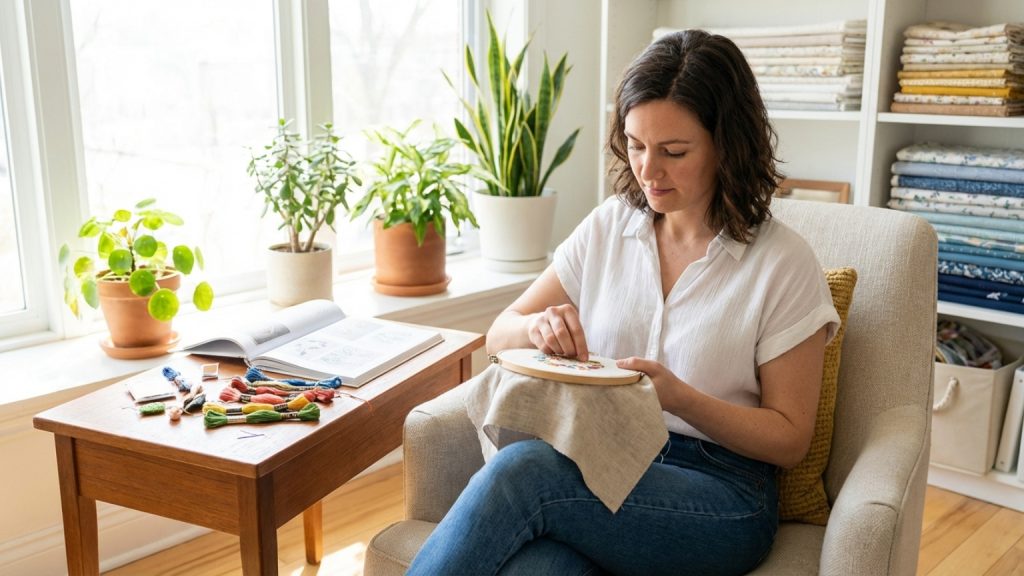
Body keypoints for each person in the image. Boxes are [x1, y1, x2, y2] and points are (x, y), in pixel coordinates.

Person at [407, 29, 840, 576]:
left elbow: (790, 437)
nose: (648, 170)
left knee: (527, 472)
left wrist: (679, 397)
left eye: (674, 152)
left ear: (726, 145)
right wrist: (541, 327)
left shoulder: (783, 263)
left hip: (724, 494)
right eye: (636, 145)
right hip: (606, 461)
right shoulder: (612, 226)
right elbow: (500, 332)